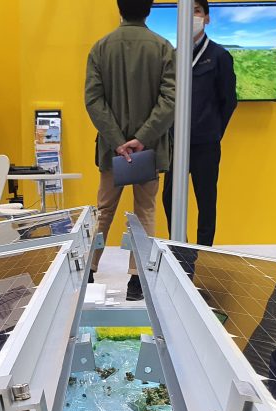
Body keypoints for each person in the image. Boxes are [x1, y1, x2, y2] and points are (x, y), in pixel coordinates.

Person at [85, 0, 176, 301]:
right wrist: (143, 138)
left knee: (104, 210)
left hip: (112, 151)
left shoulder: (101, 47)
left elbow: (93, 100)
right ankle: (137, 280)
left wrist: (117, 140)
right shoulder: (163, 48)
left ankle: (88, 271)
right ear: (149, 9)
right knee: (145, 211)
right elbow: (170, 100)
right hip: (148, 150)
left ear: (119, 8)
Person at [162, 0, 237, 248]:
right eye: (189, 10)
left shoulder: (219, 56)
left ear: (206, 18)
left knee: (206, 201)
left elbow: (228, 101)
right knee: (169, 198)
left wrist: (214, 130)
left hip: (206, 144)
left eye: (197, 10)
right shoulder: (173, 56)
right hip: (175, 144)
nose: (192, 15)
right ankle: (180, 248)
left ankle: (204, 252)